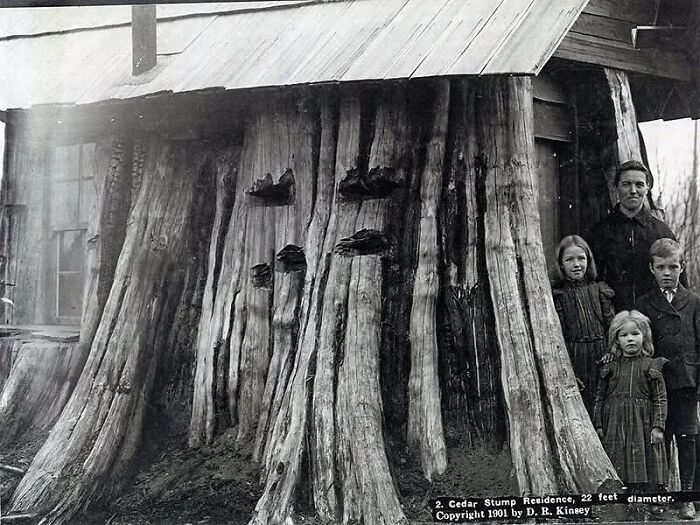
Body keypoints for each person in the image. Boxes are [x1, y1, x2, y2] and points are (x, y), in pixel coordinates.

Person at [637, 238, 700, 519]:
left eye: (673, 266)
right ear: (651, 268)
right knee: (659, 439)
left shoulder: (695, 301)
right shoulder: (643, 303)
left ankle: (686, 498)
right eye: (660, 267)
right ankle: (660, 494)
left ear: (681, 267)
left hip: (686, 381)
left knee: (687, 439)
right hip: (657, 384)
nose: (667, 272)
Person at [588, 160, 684, 311]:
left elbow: (679, 283)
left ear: (647, 188)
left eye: (639, 185)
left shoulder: (662, 232)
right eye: (626, 184)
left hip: (654, 318)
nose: (633, 190)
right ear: (616, 187)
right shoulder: (600, 232)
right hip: (613, 318)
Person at [593, 310, 668, 495]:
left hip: (642, 425)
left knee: (644, 462)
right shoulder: (609, 366)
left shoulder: (652, 365)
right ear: (616, 340)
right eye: (624, 335)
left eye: (635, 334)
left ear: (645, 336)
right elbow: (599, 398)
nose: (630, 339)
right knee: (617, 461)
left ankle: (648, 499)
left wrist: (658, 426)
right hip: (615, 425)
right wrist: (598, 424)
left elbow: (660, 398)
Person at [552, 235, 615, 414]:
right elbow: (559, 336)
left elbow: (612, 326)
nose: (576, 264)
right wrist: (569, 371)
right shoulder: (558, 295)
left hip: (602, 355)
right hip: (576, 357)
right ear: (561, 264)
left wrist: (612, 351)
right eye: (569, 259)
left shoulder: (599, 289)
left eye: (581, 258)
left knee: (604, 407)